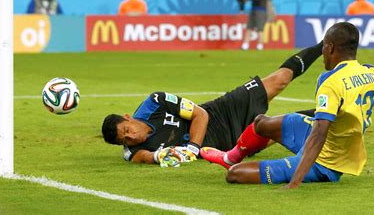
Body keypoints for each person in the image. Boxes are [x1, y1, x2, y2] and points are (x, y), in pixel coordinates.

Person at [201, 22, 374, 188]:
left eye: (323, 48)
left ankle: (238, 165)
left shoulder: (331, 82)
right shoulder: (373, 73)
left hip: (326, 161)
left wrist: (296, 179)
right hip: (326, 137)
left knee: (235, 175)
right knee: (261, 123)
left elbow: (320, 133)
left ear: (329, 48)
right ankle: (230, 157)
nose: (322, 53)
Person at [101, 42, 324, 167]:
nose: (131, 137)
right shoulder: (133, 151)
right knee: (284, 126)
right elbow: (146, 157)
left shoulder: (155, 103)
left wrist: (192, 149)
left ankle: (325, 45)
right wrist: (159, 156)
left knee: (279, 79)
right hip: (223, 146)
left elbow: (200, 115)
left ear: (128, 117)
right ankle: (338, 111)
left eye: (127, 130)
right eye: (125, 139)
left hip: (220, 112)